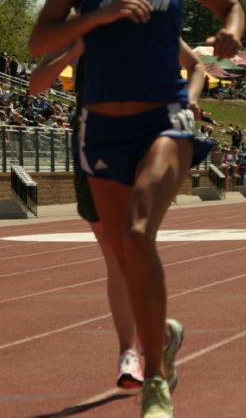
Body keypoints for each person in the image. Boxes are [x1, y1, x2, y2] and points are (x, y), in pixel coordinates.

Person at [28, 0, 244, 415]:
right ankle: (161, 336)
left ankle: (154, 382)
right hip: (100, 131)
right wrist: (96, 19)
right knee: (124, 254)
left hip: (163, 123)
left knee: (137, 232)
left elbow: (230, 6)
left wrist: (230, 34)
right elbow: (38, 41)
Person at [30, 33, 204, 392]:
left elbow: (196, 65)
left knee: (133, 239)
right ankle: (143, 342)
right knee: (113, 249)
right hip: (93, 141)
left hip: (146, 138)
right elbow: (37, 84)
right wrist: (76, 47)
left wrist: (190, 99)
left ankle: (137, 349)